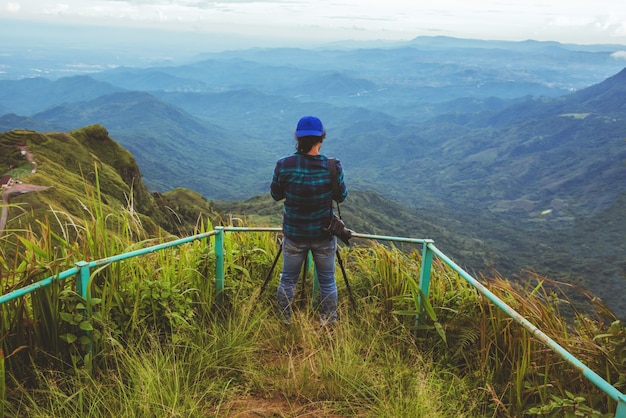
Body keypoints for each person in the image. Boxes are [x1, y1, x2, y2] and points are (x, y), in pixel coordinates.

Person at [270, 116, 348, 326]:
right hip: (323, 235)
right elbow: (341, 196)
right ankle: (328, 321)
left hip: (294, 235)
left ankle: (283, 320)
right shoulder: (333, 166)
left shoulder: (284, 165)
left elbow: (276, 195)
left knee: (287, 280)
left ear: (298, 139)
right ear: (321, 138)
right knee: (327, 281)